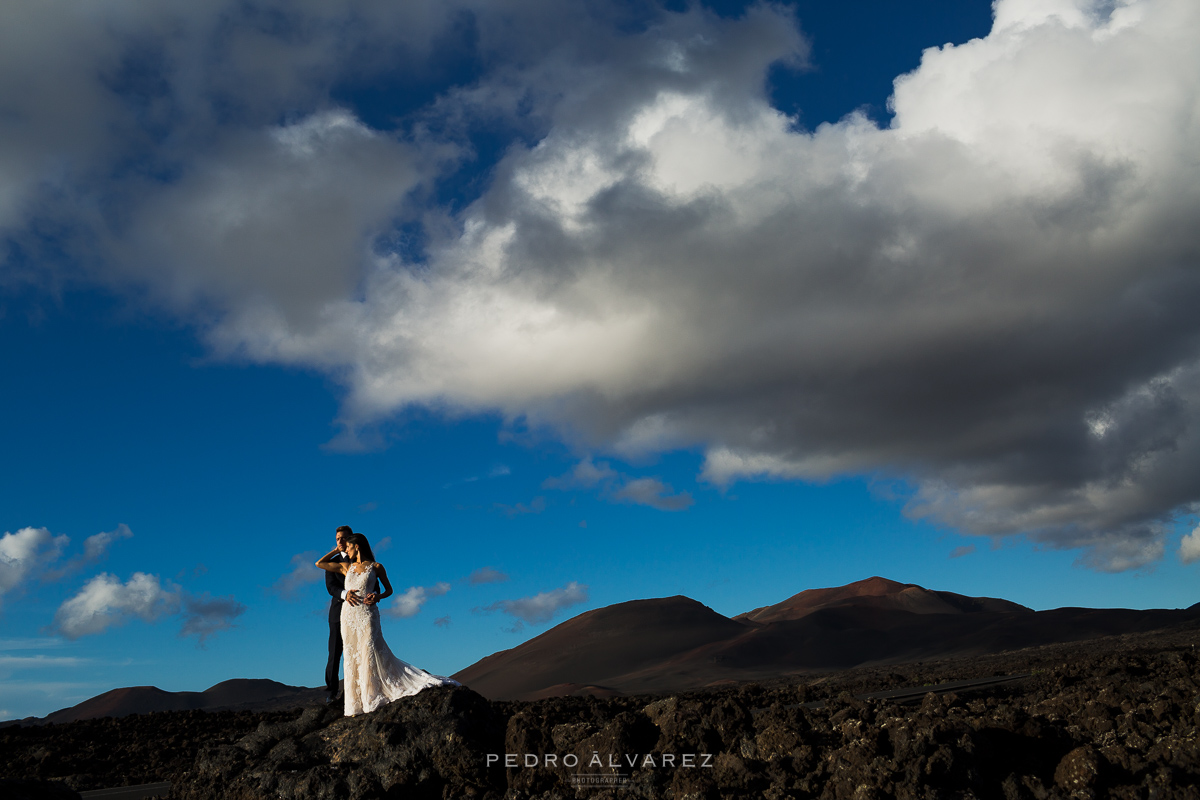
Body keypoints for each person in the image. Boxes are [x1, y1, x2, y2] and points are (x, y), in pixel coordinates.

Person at [316, 532, 458, 716]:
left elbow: (389, 589)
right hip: (348, 616)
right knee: (351, 657)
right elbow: (319, 564)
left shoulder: (376, 567)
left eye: (349, 547)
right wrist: (336, 549)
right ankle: (354, 704)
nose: (346, 550)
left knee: (369, 652)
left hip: (367, 614)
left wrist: (378, 596)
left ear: (357, 546)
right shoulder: (345, 566)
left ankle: (370, 697)